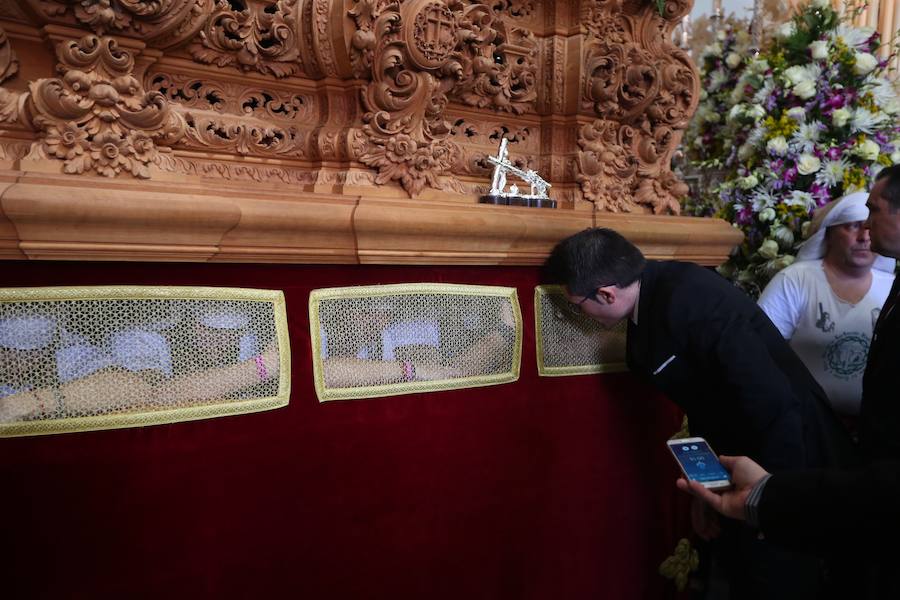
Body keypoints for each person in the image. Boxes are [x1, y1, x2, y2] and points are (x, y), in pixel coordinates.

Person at [543, 227, 857, 600]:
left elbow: (771, 401)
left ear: (607, 293)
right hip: (741, 461)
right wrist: (706, 490)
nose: (583, 317)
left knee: (780, 579)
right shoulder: (651, 296)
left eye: (577, 306)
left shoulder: (689, 299)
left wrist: (772, 501)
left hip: (789, 456)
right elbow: (701, 407)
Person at [678, 165, 900, 599]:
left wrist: (767, 497)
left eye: (873, 214)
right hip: (813, 436)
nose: (866, 232)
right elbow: (760, 357)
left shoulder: (888, 279)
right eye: (853, 224)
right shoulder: (798, 281)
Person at [758, 192, 895, 420]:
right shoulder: (795, 281)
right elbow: (759, 351)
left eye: (869, 227)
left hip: (875, 430)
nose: (864, 237)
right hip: (804, 422)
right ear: (828, 235)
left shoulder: (892, 287)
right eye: (852, 226)